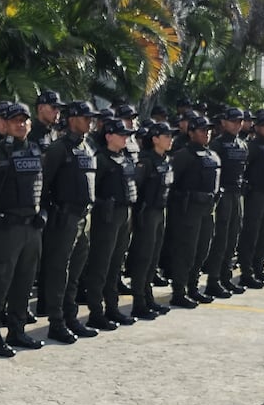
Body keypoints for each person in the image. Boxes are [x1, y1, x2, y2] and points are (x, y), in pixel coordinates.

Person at [0, 102, 44, 357]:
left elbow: (42, 188)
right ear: (5, 124)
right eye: (15, 120)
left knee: (24, 282)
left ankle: (17, 329)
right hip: (4, 229)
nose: (20, 124)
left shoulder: (36, 150)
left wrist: (41, 213)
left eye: (24, 120)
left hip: (31, 229)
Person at [40, 101, 99, 343]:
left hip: (83, 216)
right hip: (64, 216)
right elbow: (44, 185)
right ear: (72, 118)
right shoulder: (58, 148)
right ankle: (56, 321)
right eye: (86, 117)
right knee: (59, 271)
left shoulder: (87, 146)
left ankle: (70, 316)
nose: (90, 122)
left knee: (75, 271)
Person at [83, 118, 138, 329]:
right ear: (108, 136)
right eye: (121, 134)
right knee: (101, 265)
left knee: (116, 264)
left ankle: (112, 308)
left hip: (124, 214)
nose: (125, 138)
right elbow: (91, 190)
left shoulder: (123, 158)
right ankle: (96, 311)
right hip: (106, 217)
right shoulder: (101, 160)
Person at [168, 115, 221, 308]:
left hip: (207, 210)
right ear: (191, 133)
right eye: (201, 131)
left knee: (202, 250)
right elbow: (171, 185)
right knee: (186, 251)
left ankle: (193, 287)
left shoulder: (212, 155)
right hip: (188, 210)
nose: (206, 134)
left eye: (208, 131)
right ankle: (179, 291)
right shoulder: (183, 155)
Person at [127, 122, 174, 318]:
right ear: (155, 139)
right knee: (143, 258)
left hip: (159, 212)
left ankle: (148, 296)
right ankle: (139, 302)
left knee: (153, 258)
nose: (170, 139)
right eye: (166, 136)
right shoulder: (145, 161)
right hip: (146, 213)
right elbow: (136, 189)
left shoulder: (165, 159)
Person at [202, 108, 247, 298]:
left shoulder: (242, 145)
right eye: (233, 121)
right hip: (223, 195)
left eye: (240, 121)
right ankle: (214, 280)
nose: (237, 125)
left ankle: (226, 277)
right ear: (224, 123)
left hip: (237, 194)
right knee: (220, 239)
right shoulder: (217, 145)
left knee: (232, 238)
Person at [235, 113, 264, 287]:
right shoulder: (252, 147)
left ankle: (258, 269)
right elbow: (242, 169)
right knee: (251, 234)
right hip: (256, 194)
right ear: (257, 127)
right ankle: (247, 272)